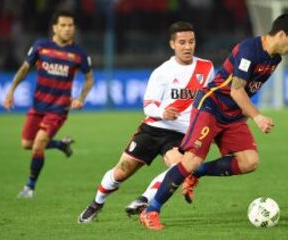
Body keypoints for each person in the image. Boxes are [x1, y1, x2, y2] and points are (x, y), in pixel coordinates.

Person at [139, 13, 288, 230]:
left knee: (249, 161)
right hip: (211, 105)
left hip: (233, 115)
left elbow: (250, 89)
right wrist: (257, 116)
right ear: (281, 34)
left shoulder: (274, 59)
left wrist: (244, 116)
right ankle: (151, 210)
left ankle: (196, 174)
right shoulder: (249, 50)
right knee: (191, 160)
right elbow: (236, 90)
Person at [78, 21, 214, 223]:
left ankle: (144, 200)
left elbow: (210, 98)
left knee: (179, 166)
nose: (187, 47)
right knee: (121, 171)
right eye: (182, 42)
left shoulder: (206, 67)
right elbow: (148, 105)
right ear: (172, 44)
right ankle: (96, 203)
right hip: (154, 128)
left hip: (182, 134)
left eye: (191, 42)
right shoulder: (162, 72)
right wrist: (163, 113)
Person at [3, 11, 94, 198]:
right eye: (63, 25)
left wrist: (81, 98)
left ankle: (29, 188)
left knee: (38, 145)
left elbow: (89, 79)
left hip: (59, 109)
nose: (68, 29)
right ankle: (61, 145)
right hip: (38, 106)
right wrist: (11, 91)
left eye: (70, 25)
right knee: (26, 143)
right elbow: (24, 69)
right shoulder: (40, 47)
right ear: (54, 27)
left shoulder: (78, 54)